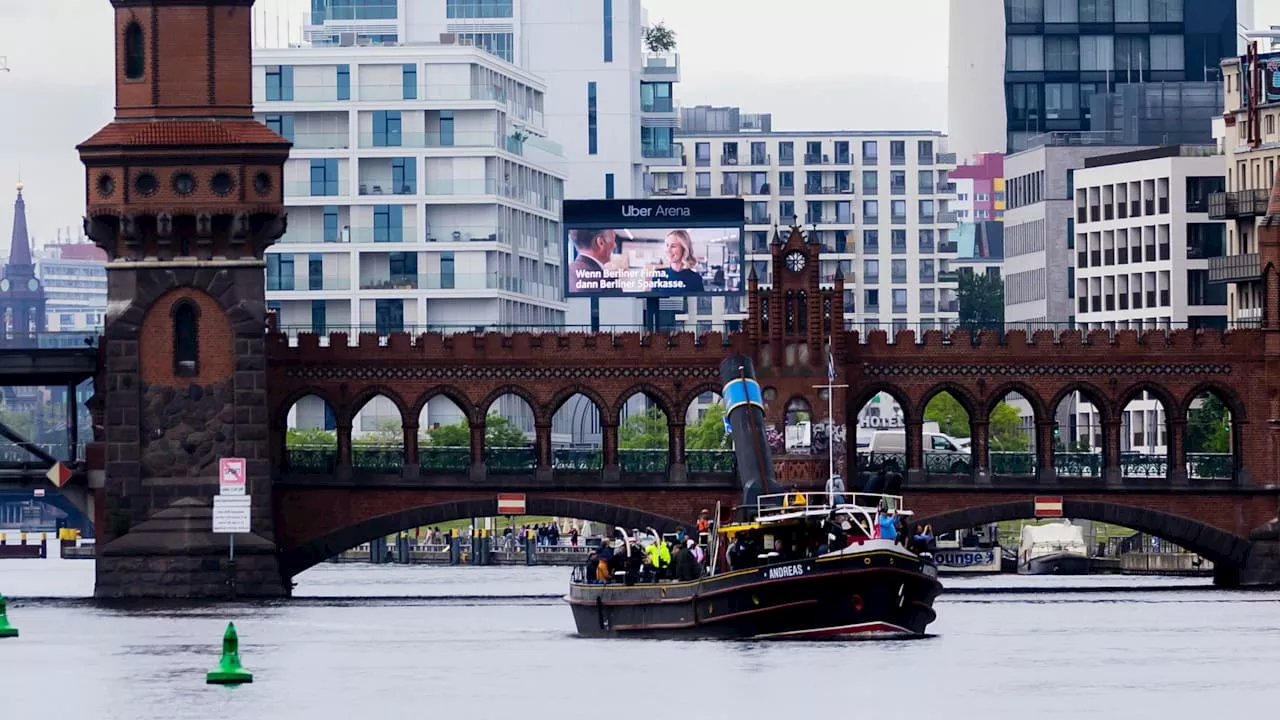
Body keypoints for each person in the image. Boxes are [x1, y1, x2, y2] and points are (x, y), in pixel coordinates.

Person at [568, 228, 617, 293]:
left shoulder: (565, 272)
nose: (615, 245)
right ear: (600, 242)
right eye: (613, 240)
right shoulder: (608, 283)